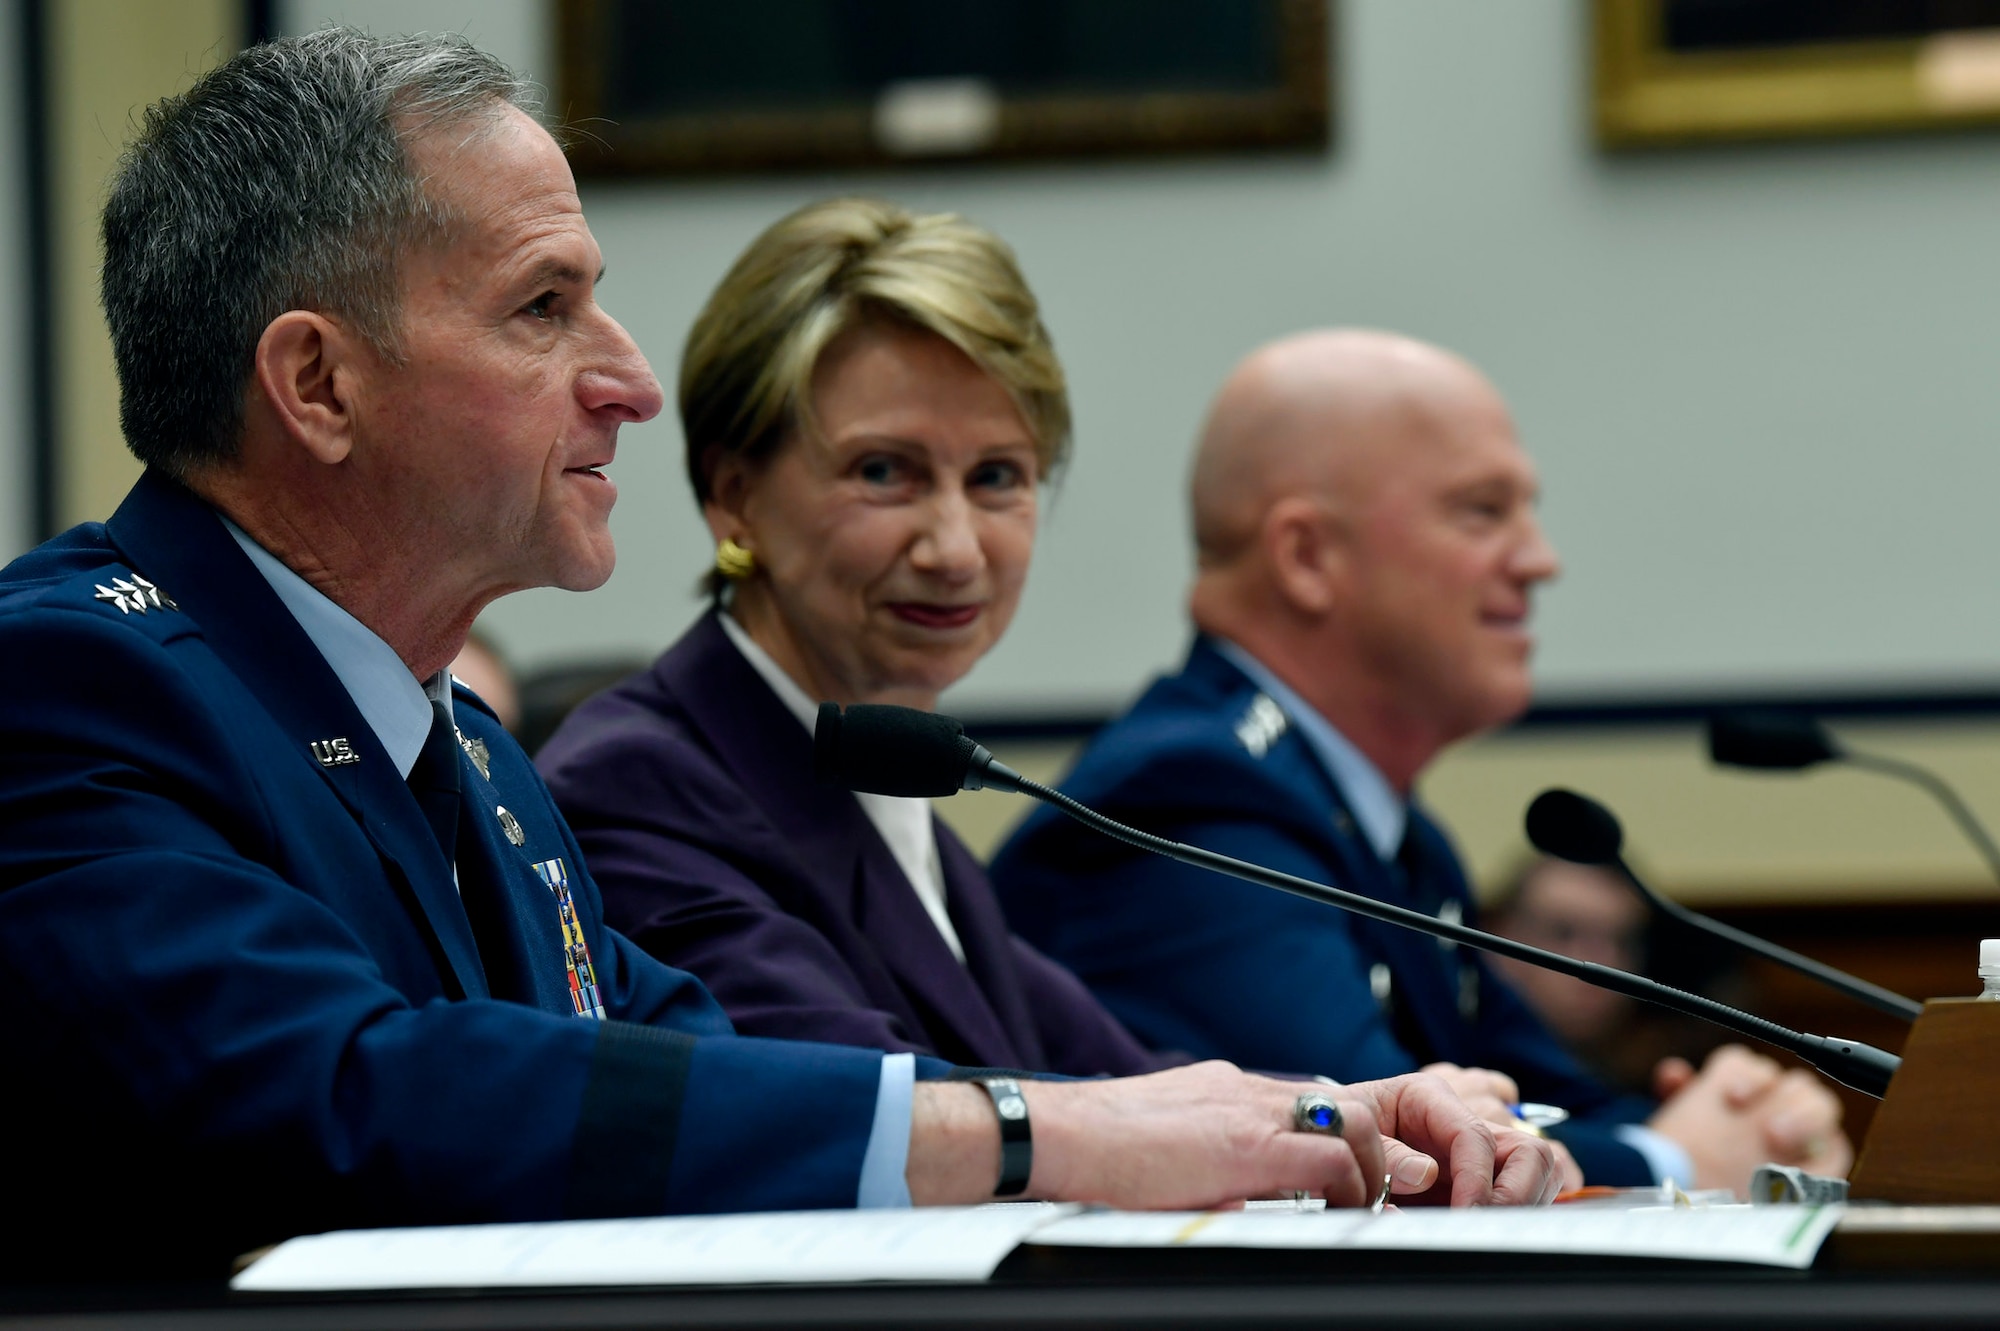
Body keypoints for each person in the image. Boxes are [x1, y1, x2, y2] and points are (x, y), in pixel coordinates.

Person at [0, 37, 1556, 1277]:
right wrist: (1042, 1132)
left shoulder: (469, 758)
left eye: (999, 477)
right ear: (317, 384)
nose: (628, 381)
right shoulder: (71, 682)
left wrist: (1304, 1115)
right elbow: (350, 1091)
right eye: (547, 307)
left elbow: (697, 1071)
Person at [991, 329, 1851, 1194]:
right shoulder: (1186, 803)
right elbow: (1387, 1149)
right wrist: (1680, 1158)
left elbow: (1547, 1095)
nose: (1539, 559)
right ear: (1307, 558)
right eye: (1483, 510)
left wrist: (1747, 1125)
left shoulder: (1393, 831)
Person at [538, 197, 1177, 1077]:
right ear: (734, 495)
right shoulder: (638, 792)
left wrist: (1374, 1109)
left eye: (997, 478)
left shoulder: (896, 802)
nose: (954, 549)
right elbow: (893, 1115)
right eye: (885, 472)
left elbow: (1137, 1085)